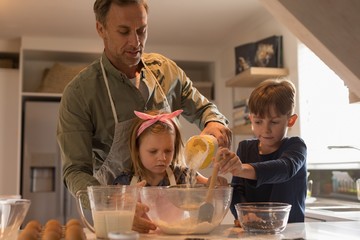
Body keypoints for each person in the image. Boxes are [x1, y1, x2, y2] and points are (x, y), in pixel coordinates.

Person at [57, 0, 231, 233]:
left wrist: (214, 123)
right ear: (101, 29)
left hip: (173, 220)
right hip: (117, 221)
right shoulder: (80, 94)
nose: (135, 42)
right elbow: (75, 171)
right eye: (123, 31)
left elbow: (204, 110)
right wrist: (113, 205)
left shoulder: (167, 72)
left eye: (142, 30)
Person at [215, 78, 307, 225]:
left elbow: (285, 168)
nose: (266, 129)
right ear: (251, 119)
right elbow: (237, 190)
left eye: (274, 122)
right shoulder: (245, 148)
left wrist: (241, 169)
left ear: (290, 120)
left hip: (290, 232)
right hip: (253, 231)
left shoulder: (296, 146)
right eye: (258, 122)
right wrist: (244, 215)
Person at [113, 109, 208, 186]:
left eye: (168, 151)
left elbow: (210, 185)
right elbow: (113, 203)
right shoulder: (125, 181)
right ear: (137, 149)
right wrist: (128, 199)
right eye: (153, 151)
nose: (162, 158)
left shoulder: (181, 175)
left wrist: (217, 180)